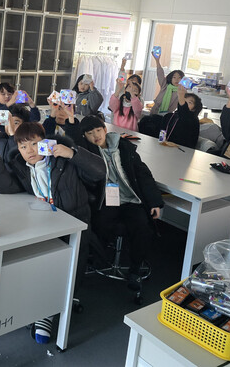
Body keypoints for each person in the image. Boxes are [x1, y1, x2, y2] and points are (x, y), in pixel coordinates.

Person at [0, 122, 104, 344]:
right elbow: (6, 187)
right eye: (23, 146)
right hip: (43, 223)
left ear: (45, 142)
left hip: (74, 223)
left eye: (34, 144)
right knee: (32, 260)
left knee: (59, 266)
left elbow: (99, 172)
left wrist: (73, 154)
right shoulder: (23, 165)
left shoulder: (62, 160)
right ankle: (37, 303)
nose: (29, 151)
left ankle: (47, 313)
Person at [64, 115, 163, 291]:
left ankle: (135, 270)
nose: (96, 135)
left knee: (142, 227)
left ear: (105, 130)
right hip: (105, 200)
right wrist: (71, 119)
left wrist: (155, 201)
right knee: (100, 224)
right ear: (85, 136)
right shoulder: (88, 151)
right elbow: (74, 140)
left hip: (130, 199)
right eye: (90, 133)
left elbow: (142, 174)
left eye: (98, 130)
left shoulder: (123, 146)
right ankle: (98, 259)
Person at [159, 84, 201, 149]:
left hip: (183, 151)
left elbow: (184, 115)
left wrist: (181, 97)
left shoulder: (193, 120)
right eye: (185, 101)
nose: (185, 103)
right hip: (165, 148)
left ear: (194, 108)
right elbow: (162, 133)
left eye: (189, 102)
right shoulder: (169, 116)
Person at [150, 49, 184, 115]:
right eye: (174, 77)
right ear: (171, 78)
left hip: (168, 114)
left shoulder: (181, 91)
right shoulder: (165, 86)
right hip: (156, 110)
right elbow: (160, 74)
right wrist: (157, 61)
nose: (176, 80)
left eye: (179, 78)